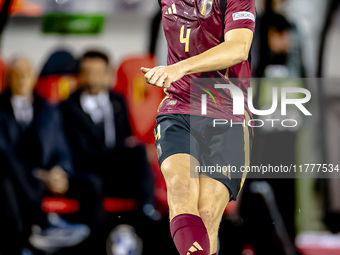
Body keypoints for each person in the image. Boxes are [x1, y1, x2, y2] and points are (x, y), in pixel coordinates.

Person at [141, 0, 255, 254]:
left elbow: (238, 48)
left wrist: (179, 68)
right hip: (178, 108)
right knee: (181, 192)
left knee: (207, 213)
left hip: (228, 114)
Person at [0, 58, 89, 255]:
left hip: (43, 176)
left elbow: (61, 147)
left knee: (92, 183)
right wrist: (38, 175)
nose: (22, 79)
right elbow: (4, 152)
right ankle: (39, 227)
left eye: (27, 74)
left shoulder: (48, 109)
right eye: (17, 74)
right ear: (8, 80)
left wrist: (60, 170)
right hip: (15, 174)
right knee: (6, 177)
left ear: (34, 79)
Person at [60, 50, 155, 213]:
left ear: (107, 74)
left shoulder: (117, 100)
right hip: (88, 164)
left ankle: (147, 211)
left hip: (116, 166)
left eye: (98, 72)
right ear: (80, 75)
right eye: (87, 72)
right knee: (137, 152)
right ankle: (147, 209)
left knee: (140, 154)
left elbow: (126, 134)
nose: (92, 77)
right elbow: (80, 149)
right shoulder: (69, 106)